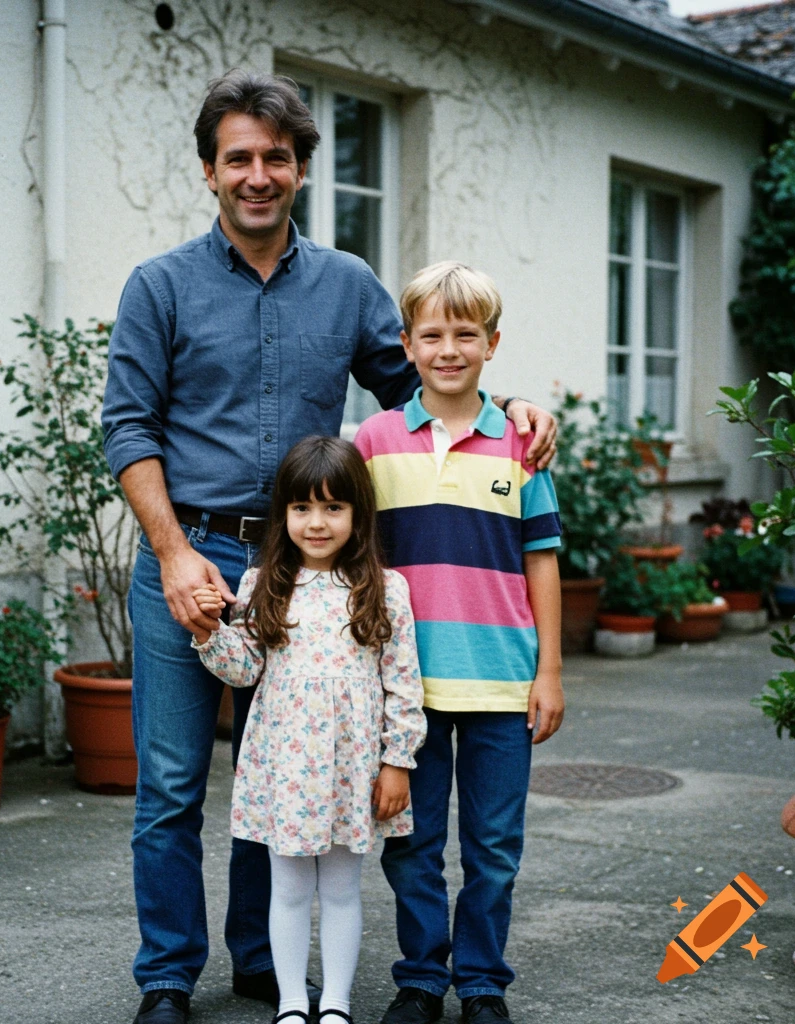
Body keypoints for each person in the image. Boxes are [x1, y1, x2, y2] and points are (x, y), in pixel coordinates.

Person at [100, 70, 558, 1024]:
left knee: (279, 770)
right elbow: (129, 430)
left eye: (276, 157)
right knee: (175, 783)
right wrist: (177, 554)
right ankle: (167, 977)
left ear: (301, 168)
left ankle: (260, 959)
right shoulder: (160, 286)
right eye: (239, 158)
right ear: (209, 171)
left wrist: (513, 405)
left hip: (306, 567)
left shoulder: (349, 286)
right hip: (186, 557)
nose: (257, 175)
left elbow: (426, 393)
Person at [353, 263, 565, 1024]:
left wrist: (550, 672)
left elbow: (541, 560)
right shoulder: (373, 442)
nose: (449, 349)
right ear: (406, 345)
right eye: (432, 335)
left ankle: (481, 984)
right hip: (406, 689)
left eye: (465, 334)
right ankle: (419, 979)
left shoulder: (521, 445)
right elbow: (357, 559)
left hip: (502, 684)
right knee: (409, 843)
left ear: (492, 344)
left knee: (494, 849)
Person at [189, 436, 427, 1024]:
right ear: (284, 514)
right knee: (289, 888)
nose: (316, 523)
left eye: (332, 508)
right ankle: (294, 1003)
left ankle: (338, 1004)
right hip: (288, 769)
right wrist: (206, 632)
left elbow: (404, 684)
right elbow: (243, 669)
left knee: (343, 889)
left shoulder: (385, 589)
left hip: (353, 769)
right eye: (302, 509)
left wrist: (397, 761)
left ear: (357, 514)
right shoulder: (261, 583)